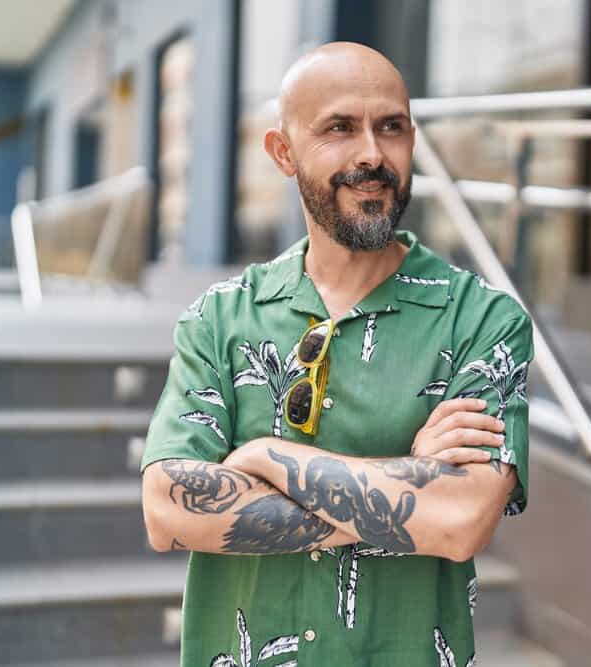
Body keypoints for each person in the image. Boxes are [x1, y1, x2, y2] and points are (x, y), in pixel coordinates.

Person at [140, 42, 534, 666]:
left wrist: (266, 457)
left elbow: (459, 520)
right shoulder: (219, 319)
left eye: (392, 128)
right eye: (340, 128)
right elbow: (168, 508)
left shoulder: (482, 321)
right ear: (283, 153)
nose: (372, 154)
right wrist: (407, 485)